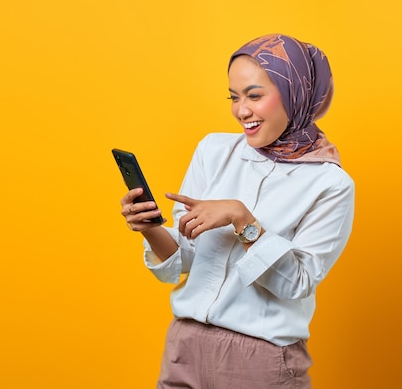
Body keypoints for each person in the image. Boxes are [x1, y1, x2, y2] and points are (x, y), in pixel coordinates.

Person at [120, 34, 355, 388]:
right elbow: (185, 257)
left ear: (295, 94)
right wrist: (150, 228)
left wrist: (243, 220)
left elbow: (298, 283)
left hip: (261, 360)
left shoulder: (330, 185)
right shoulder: (213, 151)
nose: (241, 110)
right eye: (234, 96)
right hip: (185, 346)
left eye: (254, 95)